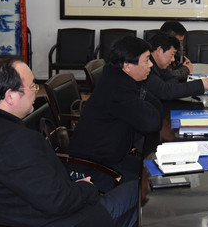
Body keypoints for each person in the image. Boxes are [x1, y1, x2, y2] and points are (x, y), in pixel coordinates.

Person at [0, 57, 140, 227]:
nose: (36, 91)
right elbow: (57, 201)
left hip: (40, 224)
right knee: (139, 191)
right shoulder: (12, 142)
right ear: (10, 96)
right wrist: (86, 187)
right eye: (32, 86)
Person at [68, 36, 162, 185]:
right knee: (152, 184)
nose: (151, 64)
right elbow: (151, 123)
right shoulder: (117, 88)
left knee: (159, 171)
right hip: (92, 168)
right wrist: (145, 106)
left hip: (113, 158)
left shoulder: (121, 78)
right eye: (146, 60)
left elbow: (157, 105)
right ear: (127, 66)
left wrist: (145, 106)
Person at [145, 32, 208, 106]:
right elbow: (166, 91)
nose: (173, 59)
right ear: (159, 50)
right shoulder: (146, 67)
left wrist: (170, 89)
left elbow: (172, 81)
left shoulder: (160, 65)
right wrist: (201, 84)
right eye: (172, 54)